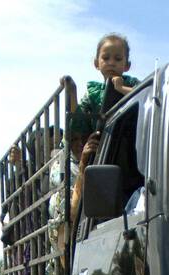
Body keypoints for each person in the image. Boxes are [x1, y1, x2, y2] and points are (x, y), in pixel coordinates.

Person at [69, 34, 139, 221]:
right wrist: (72, 92)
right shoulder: (92, 94)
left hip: (132, 153)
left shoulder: (133, 85)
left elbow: (148, 96)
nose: (111, 63)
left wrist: (121, 89)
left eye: (118, 59)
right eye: (106, 58)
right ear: (96, 63)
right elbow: (78, 122)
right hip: (104, 154)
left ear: (127, 65)